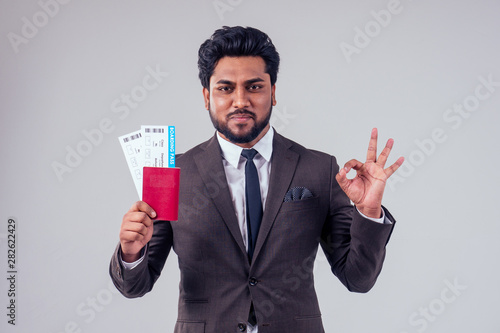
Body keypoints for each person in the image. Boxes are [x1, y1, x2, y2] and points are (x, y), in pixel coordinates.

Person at [110, 26, 404, 333]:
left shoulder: (318, 169)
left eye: (254, 87)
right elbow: (135, 286)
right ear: (207, 96)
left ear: (273, 93)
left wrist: (368, 212)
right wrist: (131, 252)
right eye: (225, 89)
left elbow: (358, 279)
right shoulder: (173, 173)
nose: (240, 101)